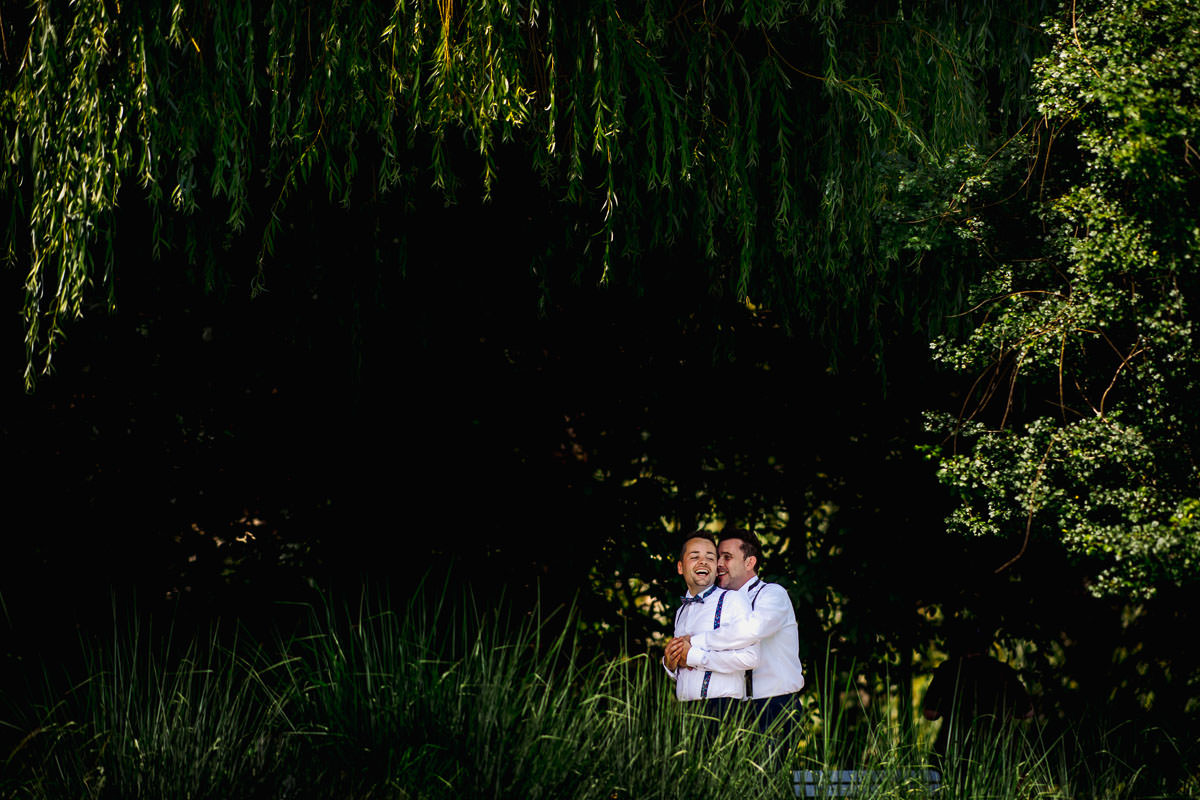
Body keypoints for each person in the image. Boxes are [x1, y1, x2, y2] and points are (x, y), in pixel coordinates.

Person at [665, 527, 805, 736]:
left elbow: (751, 629)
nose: (719, 564)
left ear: (749, 562)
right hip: (739, 708)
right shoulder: (716, 604)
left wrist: (694, 642)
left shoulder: (772, 594)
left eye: (727, 557)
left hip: (774, 704)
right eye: (718, 557)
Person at [663, 531, 760, 721]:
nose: (703, 562)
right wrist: (670, 664)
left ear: (716, 569)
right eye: (694, 557)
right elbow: (684, 670)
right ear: (681, 567)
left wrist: (694, 656)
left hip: (724, 709)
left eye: (710, 557)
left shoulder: (733, 600)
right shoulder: (681, 612)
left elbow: (751, 657)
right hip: (684, 712)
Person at [922, 624, 1034, 777]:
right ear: (987, 648)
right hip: (998, 756)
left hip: (954, 753)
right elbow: (1027, 712)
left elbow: (930, 713)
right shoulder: (1004, 672)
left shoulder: (948, 670)